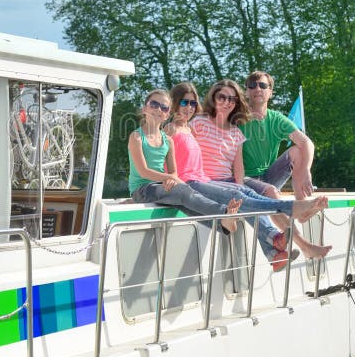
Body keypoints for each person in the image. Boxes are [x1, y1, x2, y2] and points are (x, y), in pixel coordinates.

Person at [165, 82, 330, 270]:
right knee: (245, 196)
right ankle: (289, 218)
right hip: (205, 182)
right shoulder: (198, 123)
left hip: (224, 182)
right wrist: (163, 179)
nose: (227, 102)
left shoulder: (236, 133)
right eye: (222, 97)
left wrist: (240, 185)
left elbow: (238, 170)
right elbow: (176, 147)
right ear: (213, 98)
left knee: (246, 194)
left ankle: (274, 253)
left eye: (231, 99)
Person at [128, 89, 242, 233]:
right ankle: (224, 213)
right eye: (154, 104)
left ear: (167, 115)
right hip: (142, 189)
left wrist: (171, 179)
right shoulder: (137, 137)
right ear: (145, 108)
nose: (158, 109)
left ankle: (223, 226)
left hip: (160, 186)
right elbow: (143, 172)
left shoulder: (167, 140)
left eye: (164, 107)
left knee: (185, 202)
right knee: (184, 193)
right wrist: (169, 177)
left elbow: (174, 171)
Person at [240, 71, 314, 201]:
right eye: (252, 85)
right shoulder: (237, 118)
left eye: (262, 85)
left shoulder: (277, 119)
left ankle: (301, 204)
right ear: (246, 91)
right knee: (272, 192)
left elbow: (307, 142)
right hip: (245, 180)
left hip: (270, 177)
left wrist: (306, 170)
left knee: (298, 151)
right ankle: (290, 216)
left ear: (270, 92)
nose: (257, 88)